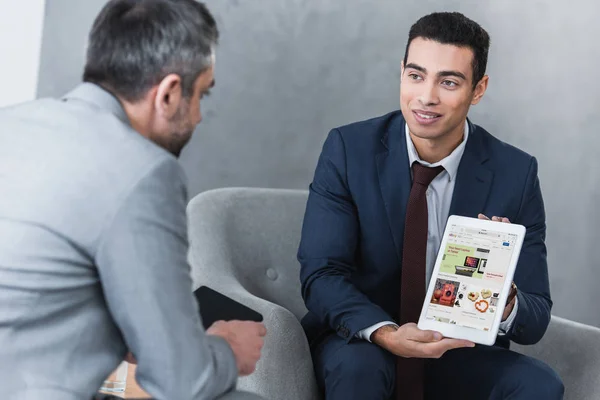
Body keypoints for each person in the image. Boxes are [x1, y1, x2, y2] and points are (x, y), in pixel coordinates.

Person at [0, 1, 266, 399]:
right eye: (201, 97)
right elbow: (181, 382)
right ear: (169, 94)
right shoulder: (145, 170)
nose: (197, 118)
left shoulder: (12, 123)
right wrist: (229, 348)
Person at [298, 11, 564, 400]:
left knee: (540, 385)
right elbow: (321, 275)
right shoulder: (348, 150)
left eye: (449, 81)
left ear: (478, 89)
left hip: (454, 349)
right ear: (401, 72)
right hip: (364, 340)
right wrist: (387, 334)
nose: (426, 97)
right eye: (416, 75)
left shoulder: (515, 173)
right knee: (359, 370)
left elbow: (535, 316)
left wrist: (505, 300)